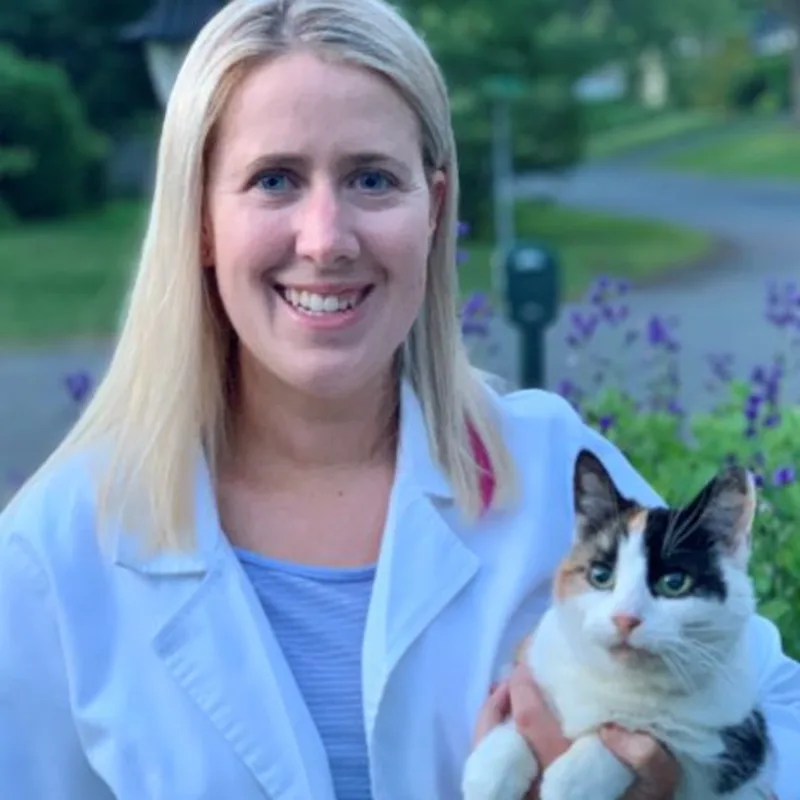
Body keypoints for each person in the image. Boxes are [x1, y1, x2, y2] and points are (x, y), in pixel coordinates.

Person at [0, 0, 798, 797]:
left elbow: (778, 713)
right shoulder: (58, 550)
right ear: (201, 220)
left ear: (435, 209)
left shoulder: (549, 465)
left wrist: (680, 787)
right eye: (274, 179)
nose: (326, 239)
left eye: (372, 179)